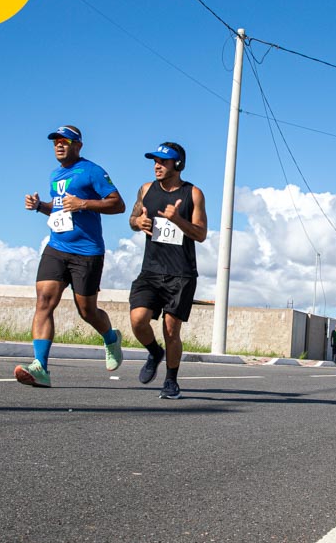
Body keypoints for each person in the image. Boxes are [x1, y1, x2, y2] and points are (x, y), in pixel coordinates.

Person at [17, 125, 126, 387]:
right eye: (55, 141)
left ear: (78, 145)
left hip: (87, 252)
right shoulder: (55, 175)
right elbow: (60, 210)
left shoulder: (92, 171)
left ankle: (111, 337)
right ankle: (40, 367)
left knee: (87, 311)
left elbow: (118, 204)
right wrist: (39, 206)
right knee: (44, 301)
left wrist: (83, 203)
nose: (58, 145)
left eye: (64, 141)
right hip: (57, 247)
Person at [128, 143, 208, 399]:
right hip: (150, 271)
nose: (157, 166)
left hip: (181, 274)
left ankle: (171, 381)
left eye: (163, 161)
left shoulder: (193, 194)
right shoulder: (146, 189)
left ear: (178, 164)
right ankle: (154, 352)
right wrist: (138, 222)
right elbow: (132, 219)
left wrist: (177, 220)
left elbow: (201, 234)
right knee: (137, 320)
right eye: (155, 161)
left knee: (171, 331)